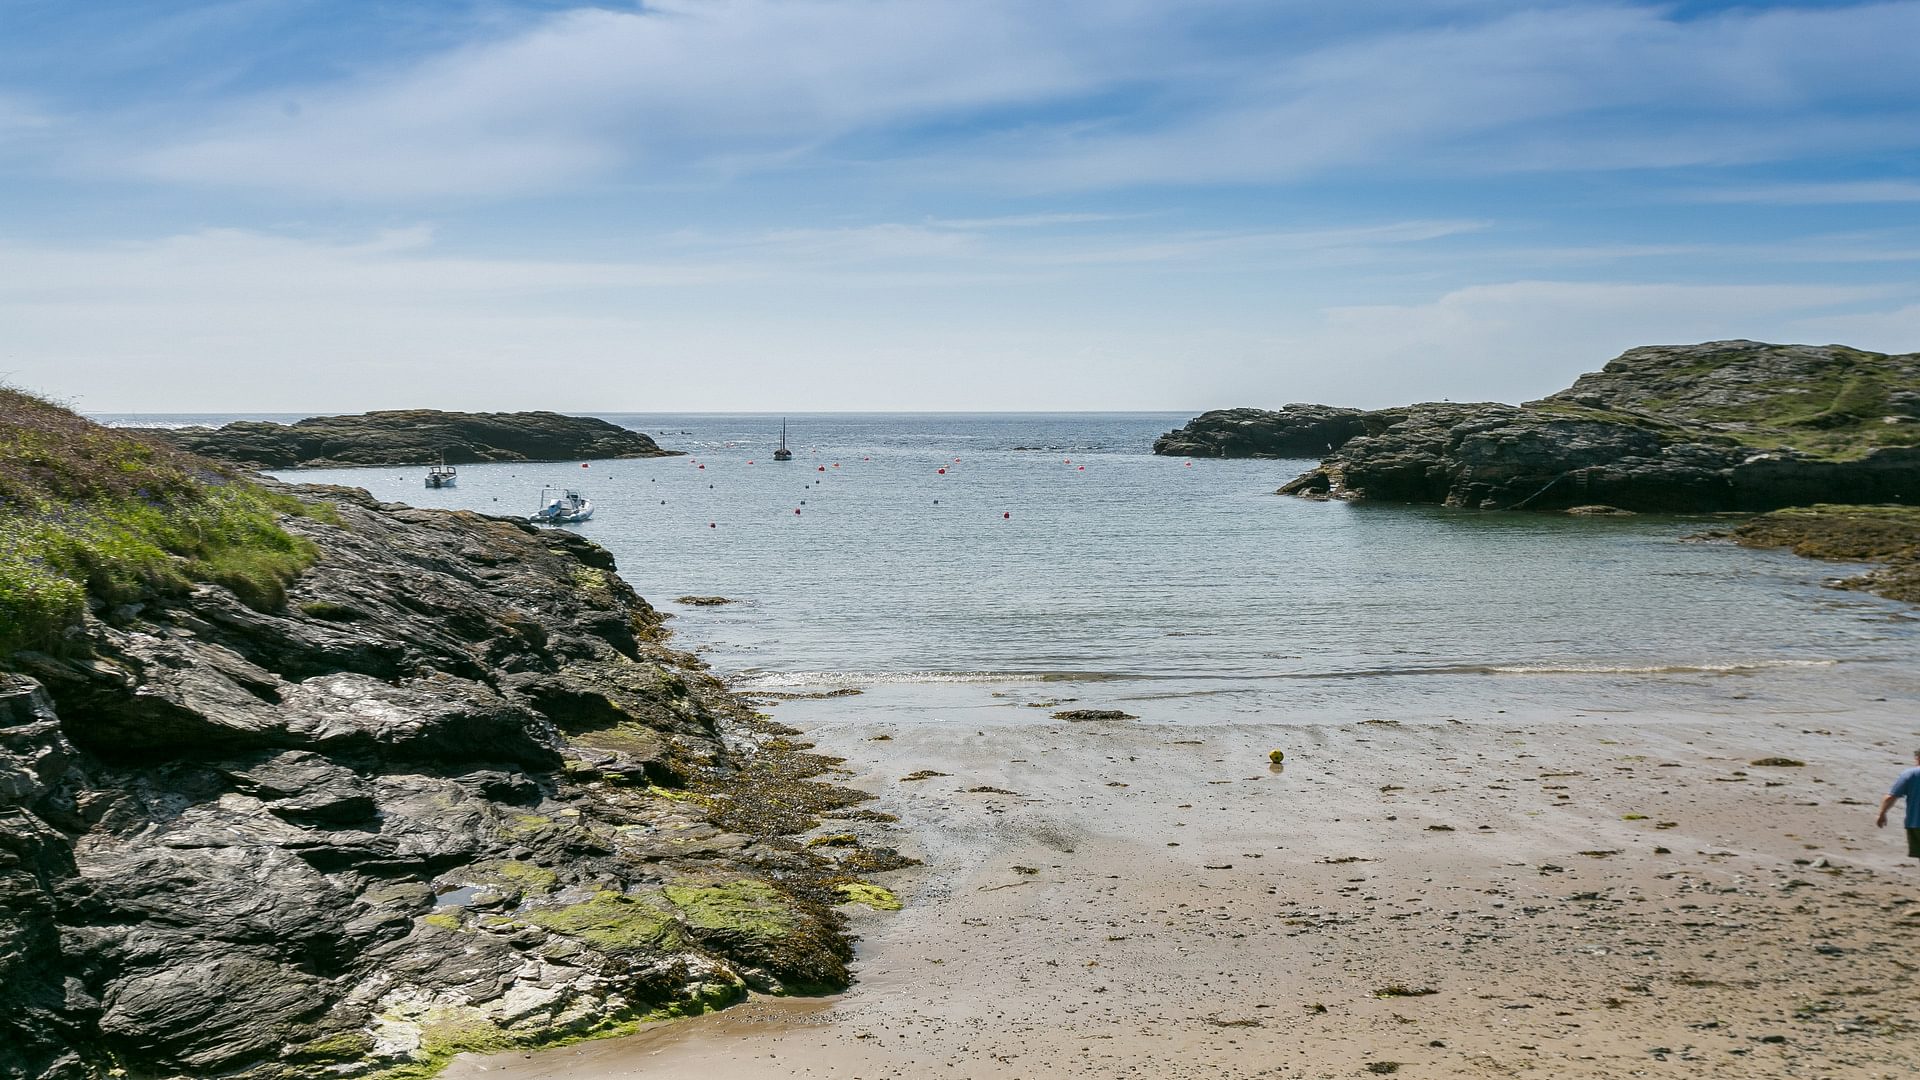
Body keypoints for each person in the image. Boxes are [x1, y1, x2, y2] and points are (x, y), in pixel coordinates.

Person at [1874, 749, 1920, 860]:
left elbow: (1891, 797)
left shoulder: (1910, 774)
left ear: (1918, 758)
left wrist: (1882, 813)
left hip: (1916, 823)